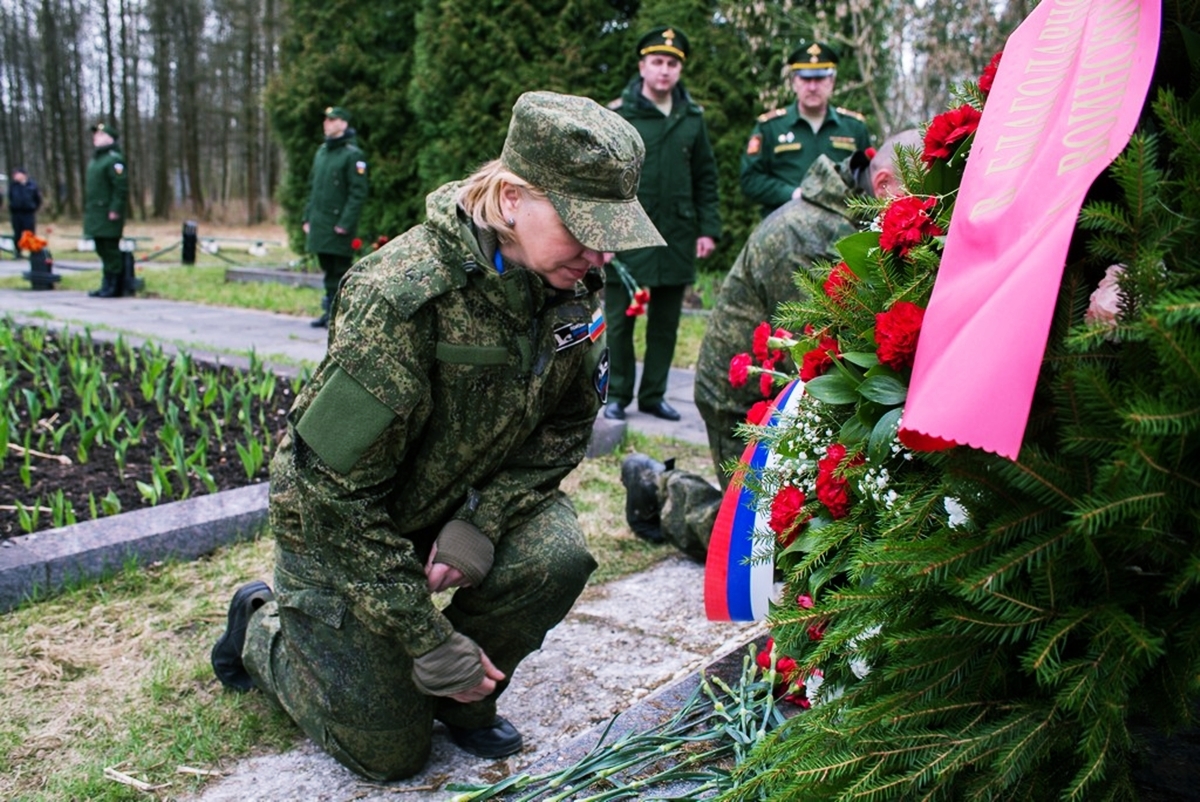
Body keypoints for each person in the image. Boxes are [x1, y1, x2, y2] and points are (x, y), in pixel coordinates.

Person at [210, 91, 664, 780]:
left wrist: (482, 521)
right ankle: (264, 627)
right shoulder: (399, 294)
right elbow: (329, 492)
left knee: (558, 553)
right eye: (583, 225)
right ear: (513, 198)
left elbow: (569, 424)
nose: (601, 249)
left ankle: (462, 695)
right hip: (346, 533)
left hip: (452, 508)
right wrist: (424, 634)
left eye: (613, 227)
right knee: (388, 756)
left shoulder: (571, 284)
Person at [623, 131, 919, 560]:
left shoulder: (848, 216)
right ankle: (662, 491)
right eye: (918, 196)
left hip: (785, 395)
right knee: (781, 547)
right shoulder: (808, 234)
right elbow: (816, 356)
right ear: (884, 185)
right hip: (742, 404)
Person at [603, 25, 721, 422]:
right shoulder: (619, 114)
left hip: (677, 232)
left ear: (679, 69)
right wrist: (600, 234)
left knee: (665, 323)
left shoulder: (692, 117)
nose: (664, 70)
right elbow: (603, 180)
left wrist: (708, 229)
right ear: (642, 66)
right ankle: (618, 394)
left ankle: (653, 395)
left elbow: (706, 175)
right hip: (627, 234)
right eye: (657, 62)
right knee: (620, 322)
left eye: (672, 63)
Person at [740, 40, 873, 217]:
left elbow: (869, 180)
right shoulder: (770, 127)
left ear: (832, 81)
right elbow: (750, 180)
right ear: (794, 82)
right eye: (805, 79)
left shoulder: (854, 127)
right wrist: (791, 194)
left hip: (841, 226)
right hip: (785, 226)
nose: (812, 87)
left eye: (819, 79)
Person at [303, 105, 369, 328]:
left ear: (343, 124)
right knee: (327, 268)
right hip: (320, 222)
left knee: (340, 270)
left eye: (332, 120)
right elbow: (314, 188)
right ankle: (329, 311)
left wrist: (346, 223)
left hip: (338, 225)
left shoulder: (353, 155)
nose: (327, 123)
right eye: (326, 120)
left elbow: (357, 193)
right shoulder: (322, 152)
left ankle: (341, 314)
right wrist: (307, 217)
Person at [84, 121, 128, 298]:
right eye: (96, 135)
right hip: (96, 212)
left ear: (110, 138)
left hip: (108, 212)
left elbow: (120, 187)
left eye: (101, 135)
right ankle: (106, 283)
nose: (96, 137)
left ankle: (114, 285)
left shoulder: (114, 160)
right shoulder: (96, 160)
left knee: (110, 249)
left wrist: (115, 208)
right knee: (101, 247)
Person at [8, 167, 43, 246]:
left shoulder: (32, 185)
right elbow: (10, 197)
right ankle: (18, 251)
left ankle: (32, 250)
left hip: (28, 213)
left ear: (24, 175)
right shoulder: (13, 186)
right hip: (16, 213)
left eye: (17, 174)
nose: (15, 176)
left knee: (30, 232)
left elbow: (37, 199)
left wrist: (34, 207)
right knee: (17, 232)